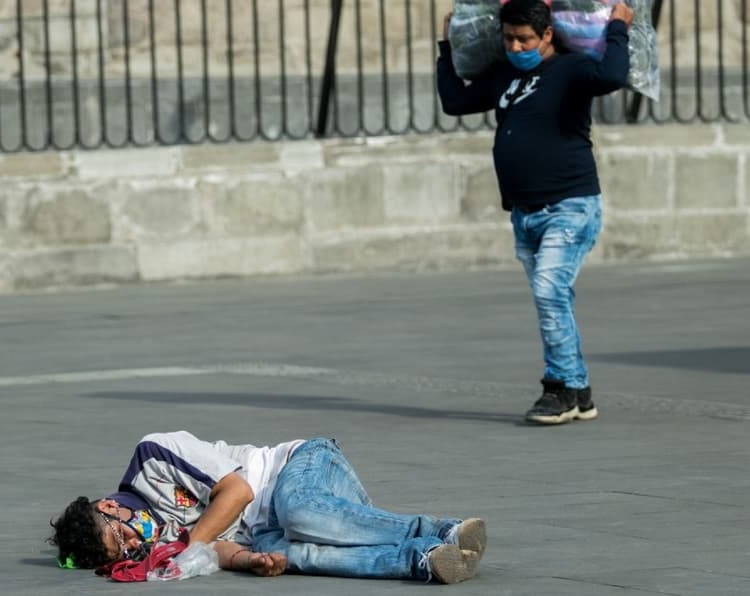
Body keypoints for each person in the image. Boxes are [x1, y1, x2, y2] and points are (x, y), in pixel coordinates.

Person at [437, 0, 634, 425]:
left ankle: (557, 389)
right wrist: (445, 44)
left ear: (547, 35)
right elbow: (455, 101)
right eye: (509, 38)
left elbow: (613, 75)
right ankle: (579, 392)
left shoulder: (571, 69)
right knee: (553, 300)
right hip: (525, 212)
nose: (516, 45)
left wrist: (618, 27)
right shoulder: (505, 75)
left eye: (525, 38)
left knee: (549, 292)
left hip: (571, 203)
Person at [49, 430, 487, 583]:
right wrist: (250, 560)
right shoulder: (149, 545)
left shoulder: (154, 455)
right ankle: (424, 560)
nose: (132, 545)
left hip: (300, 468)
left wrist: (187, 550)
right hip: (265, 528)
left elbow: (237, 492)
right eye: (123, 552)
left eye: (119, 535)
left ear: (110, 506)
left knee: (300, 514)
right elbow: (217, 549)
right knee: (297, 555)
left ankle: (442, 529)